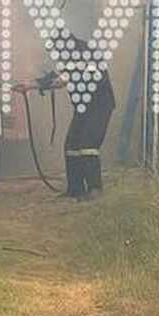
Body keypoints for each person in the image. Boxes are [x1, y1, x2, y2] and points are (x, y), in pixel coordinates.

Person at [53, 33, 116, 200]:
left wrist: (67, 77)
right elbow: (59, 78)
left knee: (88, 144)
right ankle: (75, 189)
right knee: (71, 145)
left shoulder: (87, 52)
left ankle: (95, 189)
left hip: (99, 106)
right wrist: (32, 85)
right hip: (83, 108)